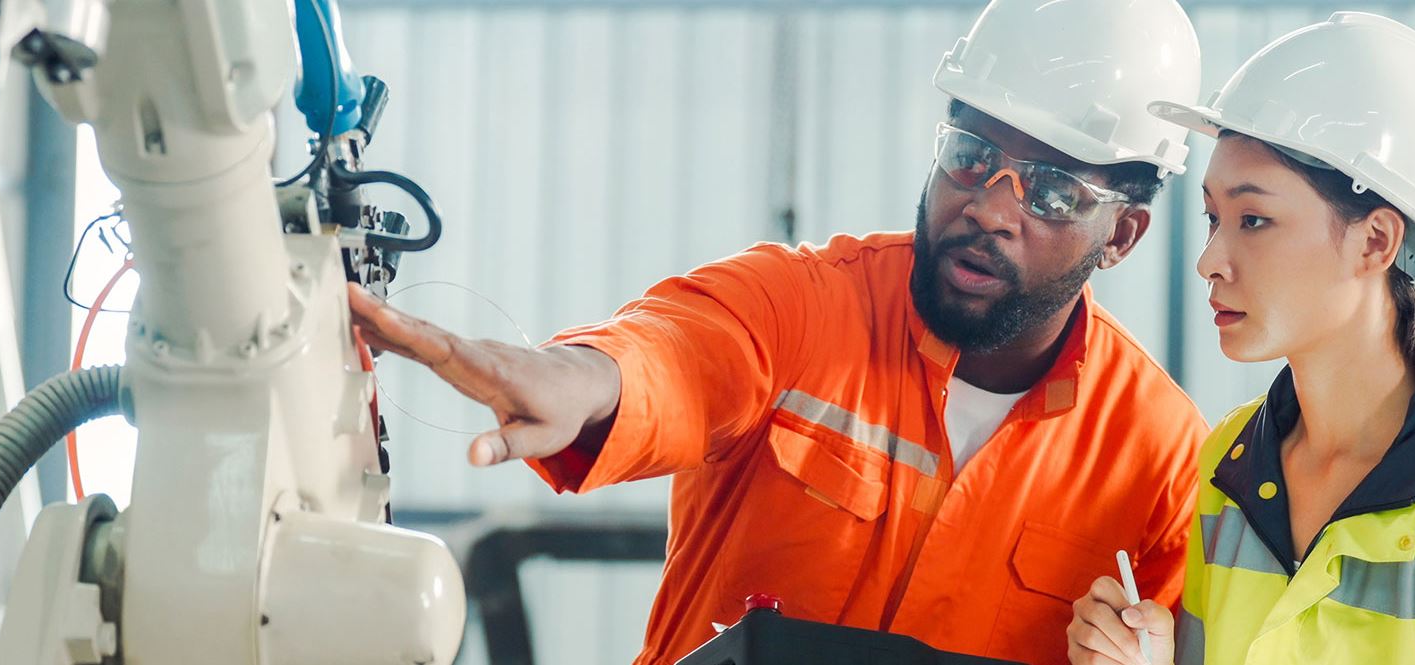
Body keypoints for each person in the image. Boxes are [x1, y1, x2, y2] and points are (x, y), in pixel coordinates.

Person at [348, 1, 1211, 662]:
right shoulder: (806, 306)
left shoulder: (1161, 459)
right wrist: (580, 378)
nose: (988, 206)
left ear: (1122, 236)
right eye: (969, 155)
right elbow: (683, 354)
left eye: (1052, 191)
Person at [1064, 12, 1415, 665]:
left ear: (1376, 241)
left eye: (1253, 219)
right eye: (1214, 217)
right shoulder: (1232, 464)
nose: (1210, 259)